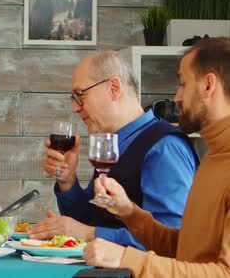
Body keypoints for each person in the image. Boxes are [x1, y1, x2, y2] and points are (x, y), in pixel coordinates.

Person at [83, 37, 230, 277]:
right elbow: (184, 250)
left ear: (208, 85)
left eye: (183, 84)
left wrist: (125, 258)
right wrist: (130, 213)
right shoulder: (214, 156)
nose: (177, 97)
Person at [29, 51, 199, 249]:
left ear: (114, 88)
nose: (75, 108)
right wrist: (68, 181)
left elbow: (173, 241)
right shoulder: (115, 144)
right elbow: (91, 219)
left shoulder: (164, 148)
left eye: (80, 95)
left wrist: (89, 234)